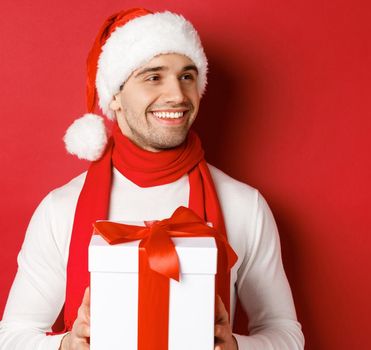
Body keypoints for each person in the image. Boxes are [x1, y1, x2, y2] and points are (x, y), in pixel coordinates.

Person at [0, 8, 304, 350]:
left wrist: (235, 346)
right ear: (114, 95)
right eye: (153, 77)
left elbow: (285, 334)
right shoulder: (61, 209)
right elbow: (11, 337)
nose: (177, 95)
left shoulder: (243, 205)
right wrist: (67, 345)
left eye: (187, 76)